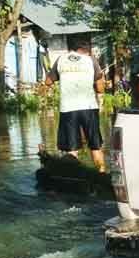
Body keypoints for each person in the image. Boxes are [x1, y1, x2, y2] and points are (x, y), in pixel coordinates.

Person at [45, 38, 106, 172]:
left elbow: (48, 81)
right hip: (89, 108)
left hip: (68, 109)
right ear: (86, 50)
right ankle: (102, 175)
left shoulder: (61, 59)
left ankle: (73, 176)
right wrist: (99, 92)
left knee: (71, 149)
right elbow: (100, 87)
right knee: (95, 146)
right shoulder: (91, 60)